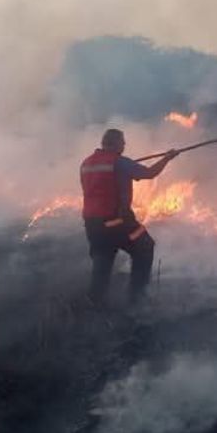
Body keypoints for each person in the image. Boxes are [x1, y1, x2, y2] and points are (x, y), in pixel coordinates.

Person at [79, 128, 178, 306]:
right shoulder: (120, 163)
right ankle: (137, 298)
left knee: (103, 259)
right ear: (117, 143)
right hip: (117, 222)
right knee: (145, 246)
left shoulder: (86, 164)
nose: (124, 145)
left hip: (92, 225)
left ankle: (94, 305)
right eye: (123, 142)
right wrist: (167, 158)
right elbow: (149, 173)